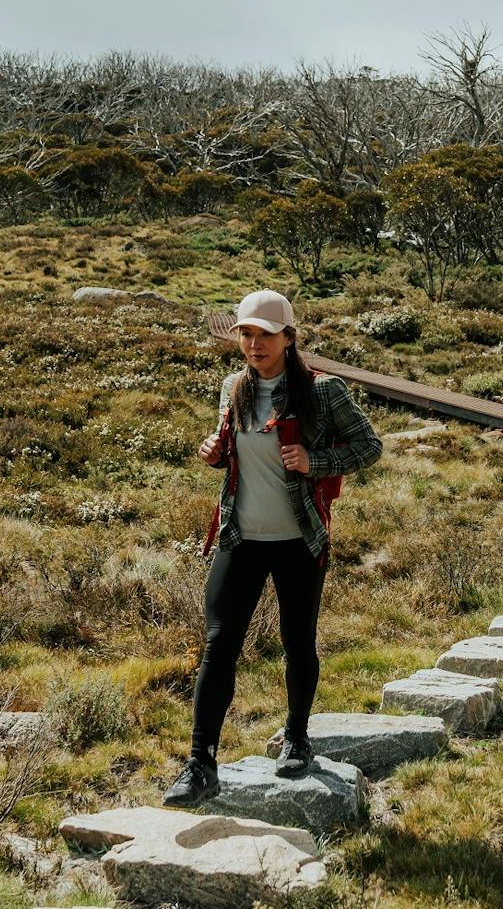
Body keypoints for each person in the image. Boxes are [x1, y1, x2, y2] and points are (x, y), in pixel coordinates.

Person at [162, 289, 382, 807]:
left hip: (297, 541)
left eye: (265, 334)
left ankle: (297, 739)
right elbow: (234, 455)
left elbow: (368, 446)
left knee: (297, 641)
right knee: (219, 647)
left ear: (289, 337)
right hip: (239, 539)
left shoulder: (323, 393)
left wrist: (314, 460)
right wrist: (213, 454)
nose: (254, 344)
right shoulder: (232, 388)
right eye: (247, 334)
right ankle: (200, 764)